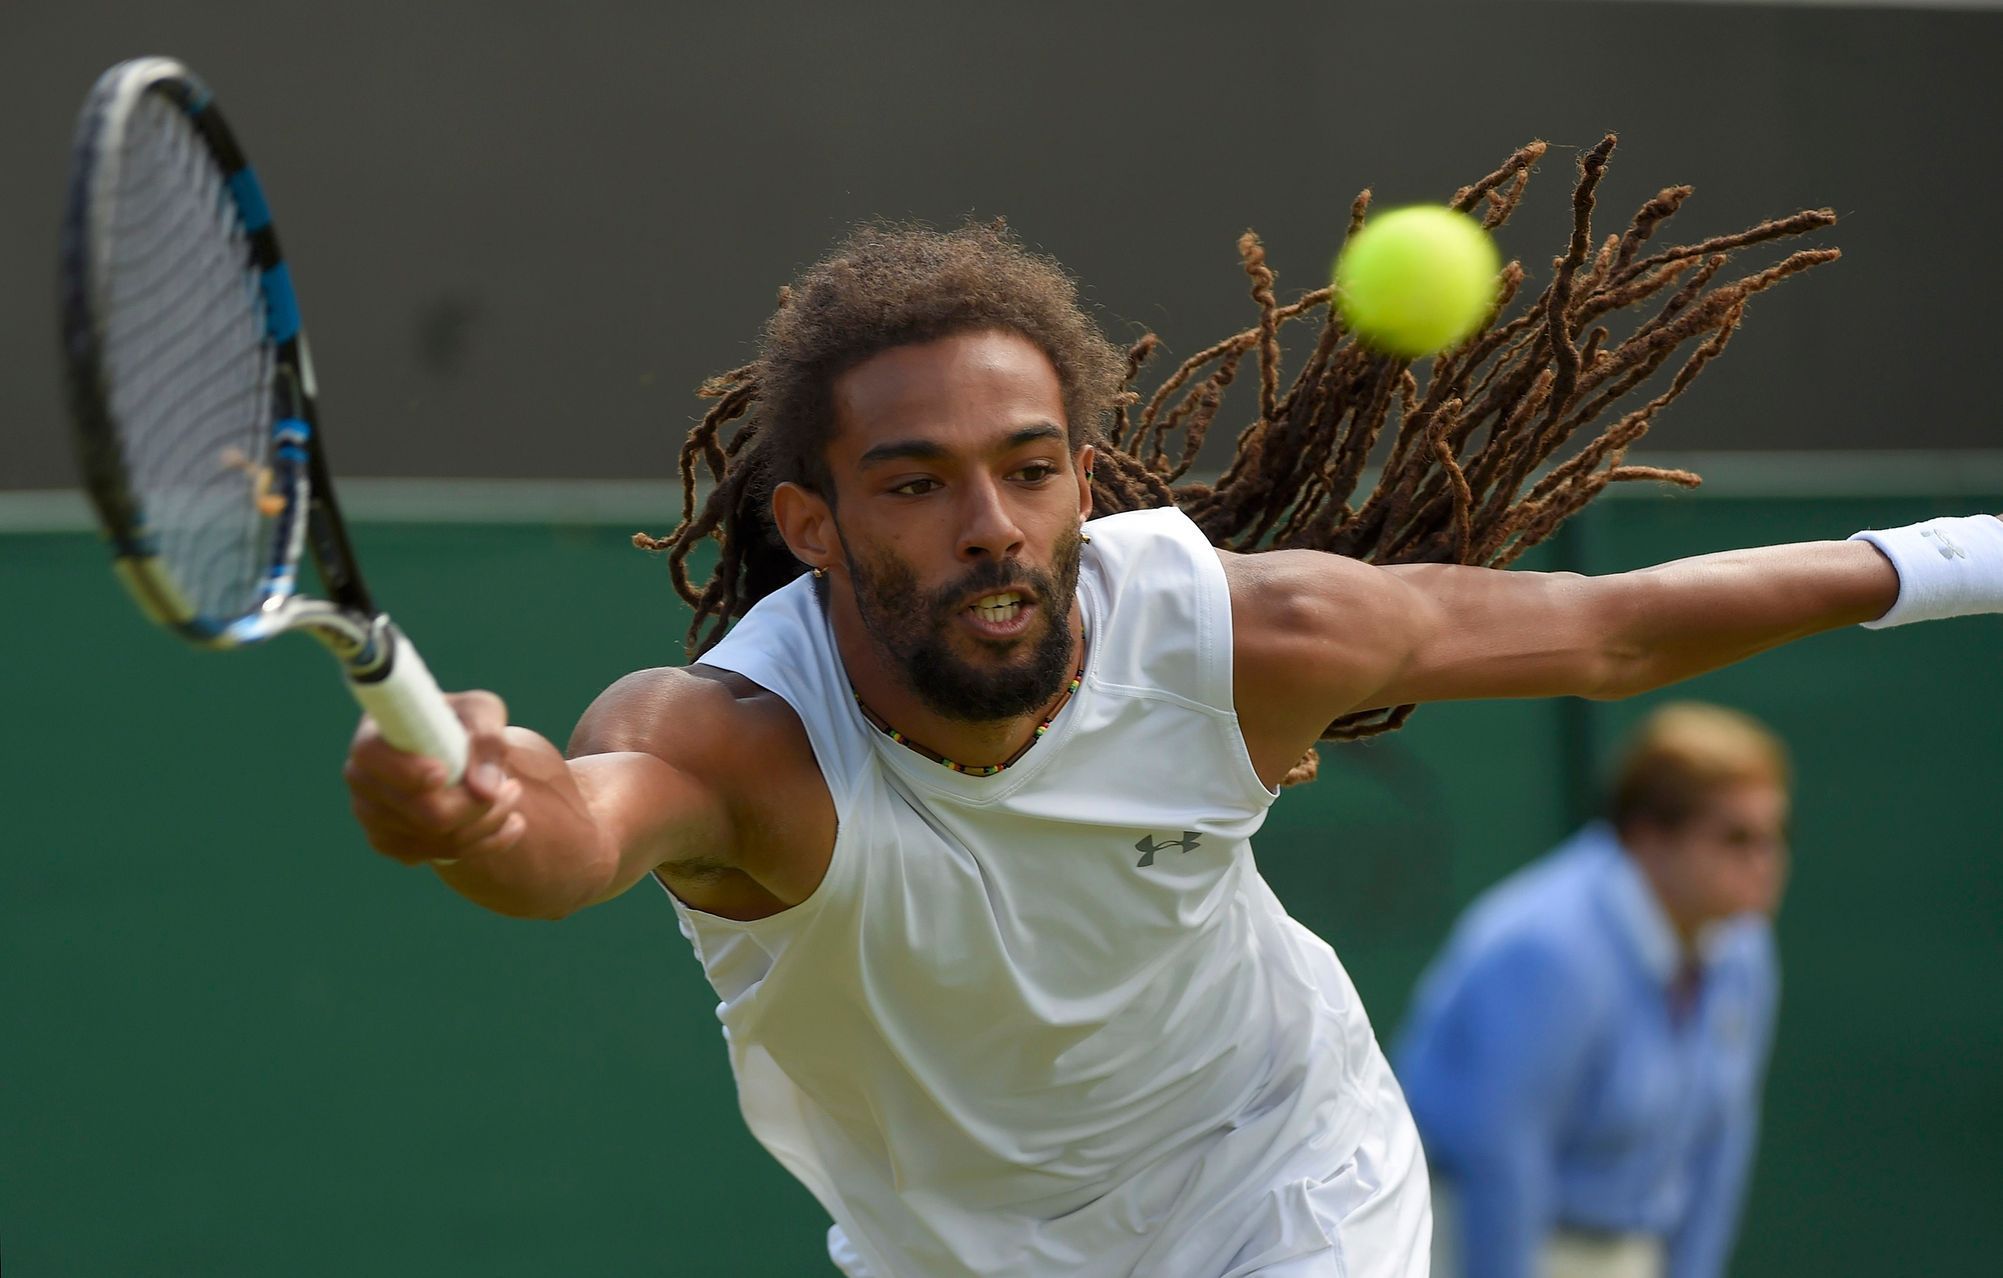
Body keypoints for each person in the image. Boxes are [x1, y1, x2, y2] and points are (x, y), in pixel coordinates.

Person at [341, 141, 2001, 1277]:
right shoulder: (740, 745)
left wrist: (1962, 553)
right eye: (913, 482)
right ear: (810, 522)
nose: (988, 520)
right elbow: (567, 834)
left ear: (1077, 484)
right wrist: (469, 811)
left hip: (1285, 1179)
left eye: (1028, 468)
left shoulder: (1240, 628)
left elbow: (1612, 629)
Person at [1394, 703, 1791, 1278]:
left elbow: (1722, 1141)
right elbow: (1500, 1163)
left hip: (1627, 1250)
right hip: (1479, 1244)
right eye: (1737, 838)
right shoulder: (1549, 947)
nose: (1767, 862)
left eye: (1776, 835)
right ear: (1649, 837)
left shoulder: (1743, 945)